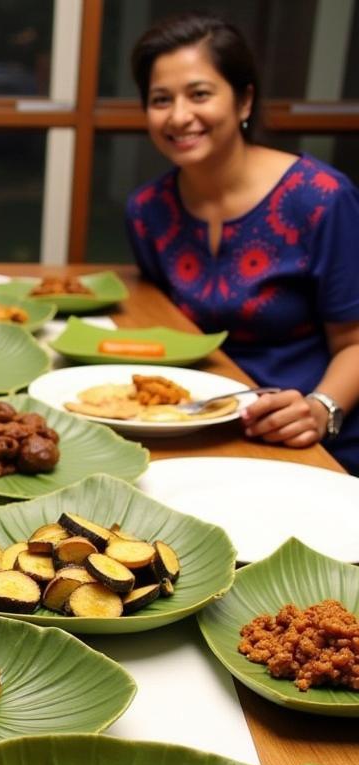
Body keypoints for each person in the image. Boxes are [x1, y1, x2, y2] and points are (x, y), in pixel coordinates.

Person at [125, 13, 359, 473]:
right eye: (160, 99)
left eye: (199, 94)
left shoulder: (322, 199)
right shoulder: (147, 209)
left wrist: (321, 409)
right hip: (200, 429)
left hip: (310, 441)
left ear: (244, 100)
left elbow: (354, 341)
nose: (178, 116)